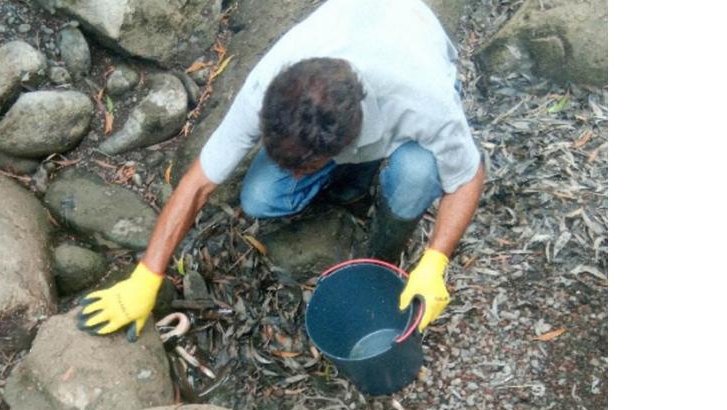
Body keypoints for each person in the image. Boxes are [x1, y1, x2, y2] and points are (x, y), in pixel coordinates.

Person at [78, 0, 484, 341]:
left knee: (417, 172)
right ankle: (353, 180)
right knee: (260, 197)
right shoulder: (270, 86)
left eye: (307, 165)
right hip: (351, 45)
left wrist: (436, 260)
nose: (297, 173)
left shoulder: (422, 98)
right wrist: (147, 275)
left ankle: (382, 253)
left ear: (344, 143)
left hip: (405, 38)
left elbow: (468, 176)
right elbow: (198, 183)